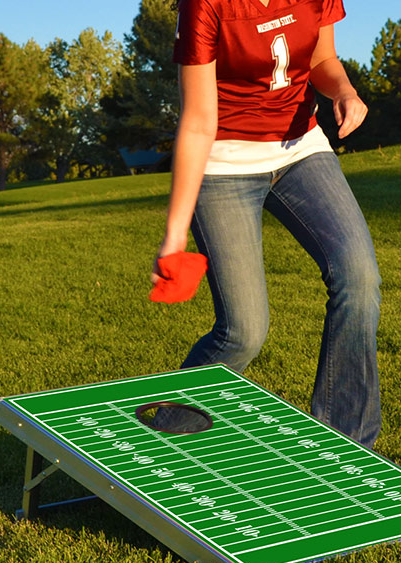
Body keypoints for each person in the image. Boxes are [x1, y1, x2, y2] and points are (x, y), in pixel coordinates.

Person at [153, 0, 382, 448]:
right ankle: (159, 439)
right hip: (223, 164)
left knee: (359, 278)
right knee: (242, 333)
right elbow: (198, 123)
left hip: (301, 150)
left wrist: (344, 91)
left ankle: (345, 445)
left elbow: (321, 59)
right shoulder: (205, 6)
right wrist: (175, 236)